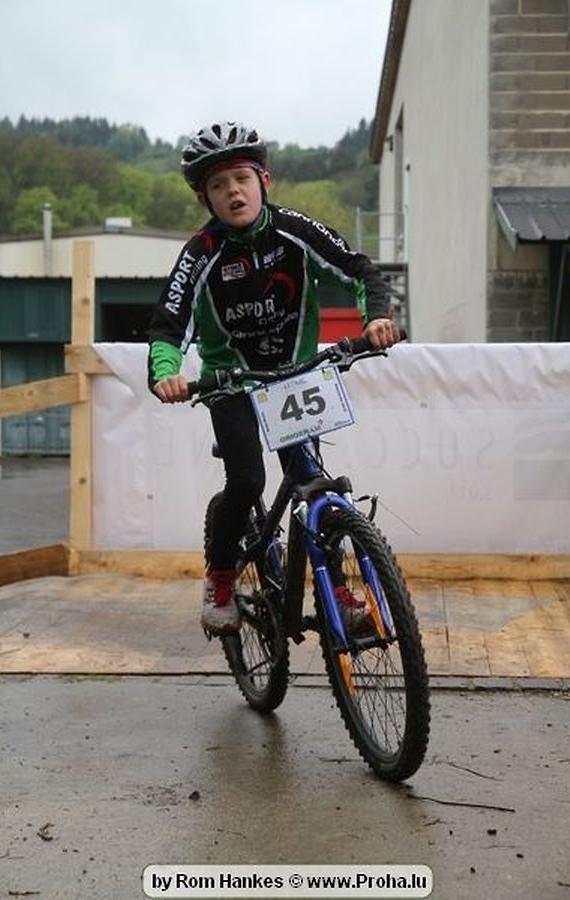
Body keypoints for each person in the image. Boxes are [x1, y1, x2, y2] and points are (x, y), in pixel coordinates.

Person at [147, 120, 401, 635]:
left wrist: (375, 317)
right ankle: (220, 578)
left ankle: (338, 591)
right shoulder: (201, 252)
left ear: (264, 180)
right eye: (218, 185)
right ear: (205, 199)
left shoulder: (295, 231)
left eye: (242, 178)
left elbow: (360, 270)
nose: (233, 192)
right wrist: (167, 373)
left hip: (294, 377)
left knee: (311, 479)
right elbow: (169, 326)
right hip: (231, 383)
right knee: (247, 481)